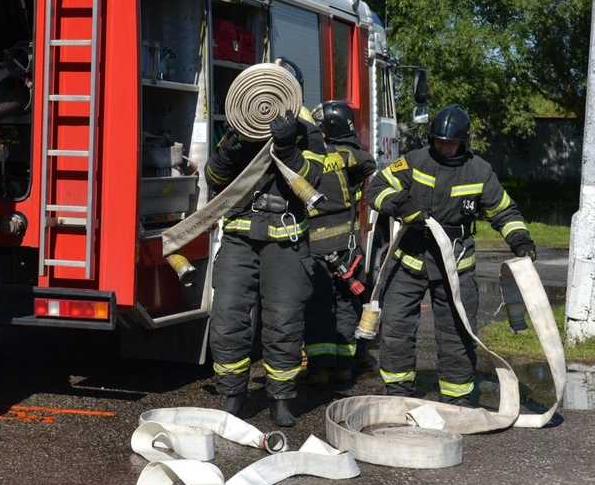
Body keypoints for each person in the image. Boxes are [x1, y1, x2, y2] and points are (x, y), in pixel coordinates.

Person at [365, 104, 536, 407]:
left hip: (455, 267)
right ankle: (398, 392)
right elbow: (377, 188)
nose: (443, 146)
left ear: (463, 141)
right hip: (409, 261)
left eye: (450, 142)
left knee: (457, 334)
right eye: (438, 140)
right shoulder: (414, 162)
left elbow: (504, 211)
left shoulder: (479, 172)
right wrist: (400, 205)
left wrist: (520, 239)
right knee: (395, 328)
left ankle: (457, 399)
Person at [205, 106, 323, 428]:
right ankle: (233, 394)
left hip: (286, 241)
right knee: (227, 317)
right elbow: (213, 178)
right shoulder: (243, 122)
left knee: (284, 322)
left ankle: (281, 399)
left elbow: (314, 178)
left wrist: (288, 146)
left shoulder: (305, 128)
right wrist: (229, 145)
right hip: (239, 239)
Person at [300, 101, 377, 385]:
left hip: (314, 251)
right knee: (347, 305)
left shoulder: (305, 158)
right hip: (346, 249)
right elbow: (367, 163)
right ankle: (345, 366)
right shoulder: (348, 156)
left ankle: (319, 369)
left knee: (318, 308)